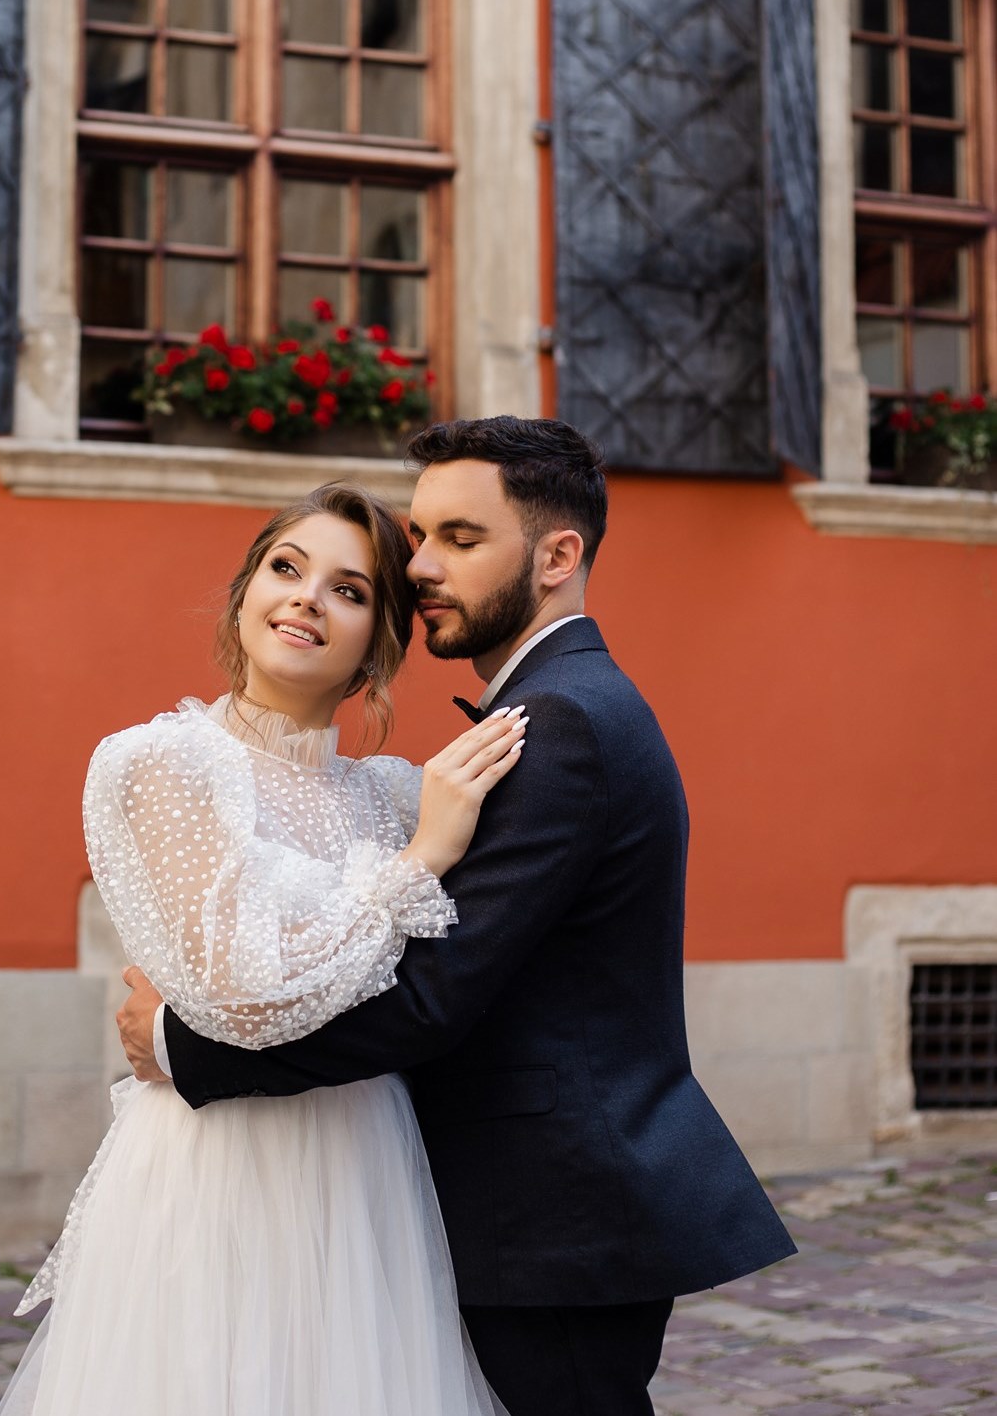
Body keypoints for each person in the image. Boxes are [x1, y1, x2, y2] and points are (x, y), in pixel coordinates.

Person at [118, 416, 798, 1416]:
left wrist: (187, 1049)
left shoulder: (560, 722)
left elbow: (433, 998)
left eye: (461, 540)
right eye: (421, 537)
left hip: (551, 1213)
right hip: (506, 1205)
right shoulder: (557, 707)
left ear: (558, 554)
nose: (422, 565)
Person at [0, 480, 528, 1416]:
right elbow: (241, 1000)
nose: (307, 599)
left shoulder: (396, 794)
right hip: (219, 1168)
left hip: (366, 1162)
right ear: (245, 593)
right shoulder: (161, 763)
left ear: (378, 645)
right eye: (287, 569)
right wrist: (419, 862)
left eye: (349, 590)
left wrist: (419, 837)